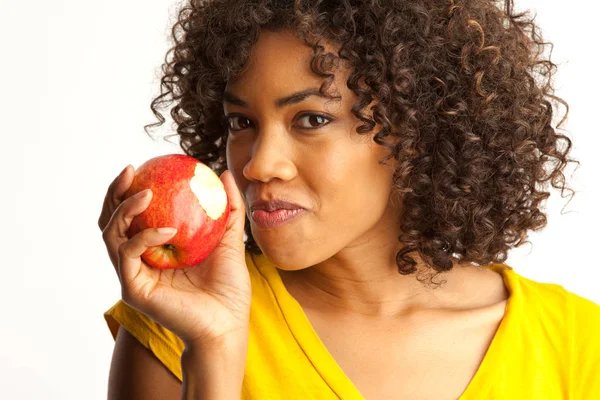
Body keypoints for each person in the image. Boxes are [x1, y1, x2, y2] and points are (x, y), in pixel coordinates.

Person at [98, 0, 600, 398]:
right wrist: (213, 350)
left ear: (418, 128)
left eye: (312, 119)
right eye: (241, 123)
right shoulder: (178, 325)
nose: (258, 164)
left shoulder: (577, 344)